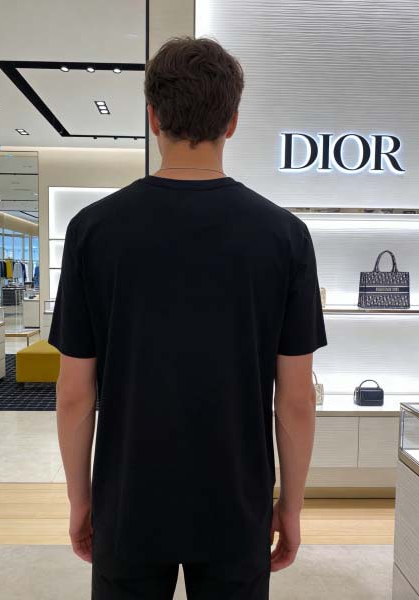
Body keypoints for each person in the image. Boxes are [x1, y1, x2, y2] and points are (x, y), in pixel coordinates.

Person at [48, 35, 327, 600]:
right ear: (233, 121)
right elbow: (296, 398)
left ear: (153, 117)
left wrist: (81, 499)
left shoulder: (92, 230)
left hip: (129, 501)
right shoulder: (284, 236)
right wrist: (291, 506)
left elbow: (75, 393)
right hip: (237, 504)